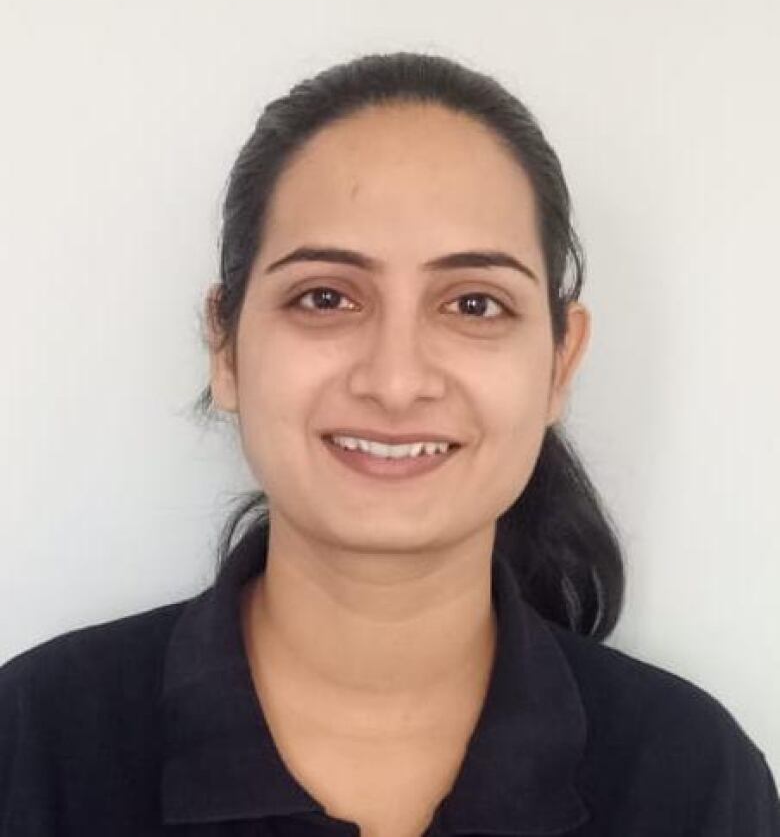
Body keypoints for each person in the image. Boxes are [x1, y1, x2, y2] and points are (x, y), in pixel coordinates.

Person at [1, 51, 777, 837]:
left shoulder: (691, 778)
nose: (397, 380)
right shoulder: (32, 747)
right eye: (326, 297)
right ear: (226, 347)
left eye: (474, 304)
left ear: (559, 362)